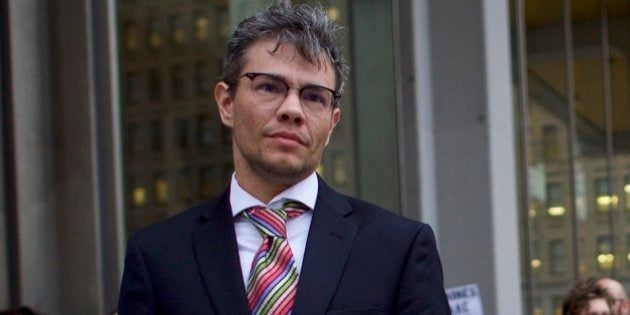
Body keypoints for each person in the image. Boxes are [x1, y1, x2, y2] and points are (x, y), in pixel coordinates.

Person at [118, 2, 450, 314]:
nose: (292, 109)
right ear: (226, 103)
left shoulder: (398, 248)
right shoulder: (158, 257)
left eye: (314, 97)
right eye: (269, 87)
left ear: (332, 123)